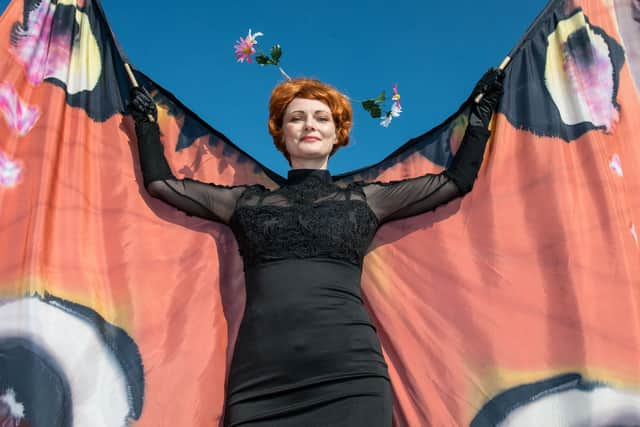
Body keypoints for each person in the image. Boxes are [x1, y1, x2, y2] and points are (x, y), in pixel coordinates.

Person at [129, 69, 504, 427]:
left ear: (337, 132)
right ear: (281, 133)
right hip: (260, 383)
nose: (310, 125)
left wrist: (478, 115)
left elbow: (455, 182)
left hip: (350, 378)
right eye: (297, 118)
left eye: (322, 118)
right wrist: (145, 123)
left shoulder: (367, 201)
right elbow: (162, 184)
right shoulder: (244, 203)